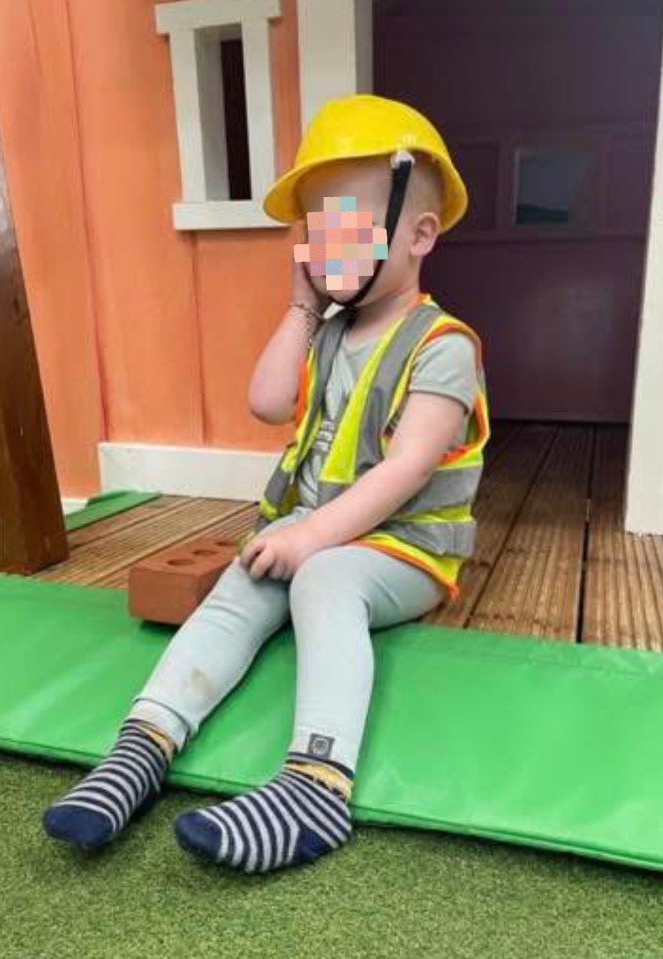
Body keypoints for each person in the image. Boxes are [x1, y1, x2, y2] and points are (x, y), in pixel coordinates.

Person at [42, 94, 490, 874]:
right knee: (240, 586)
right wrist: (297, 307)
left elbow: (407, 466)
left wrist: (312, 535)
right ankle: (144, 740)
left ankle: (317, 780)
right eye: (317, 234)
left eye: (347, 227)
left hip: (402, 551)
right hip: (312, 531)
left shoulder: (443, 345)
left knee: (320, 576)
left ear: (419, 233)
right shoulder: (327, 328)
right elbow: (266, 400)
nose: (327, 249)